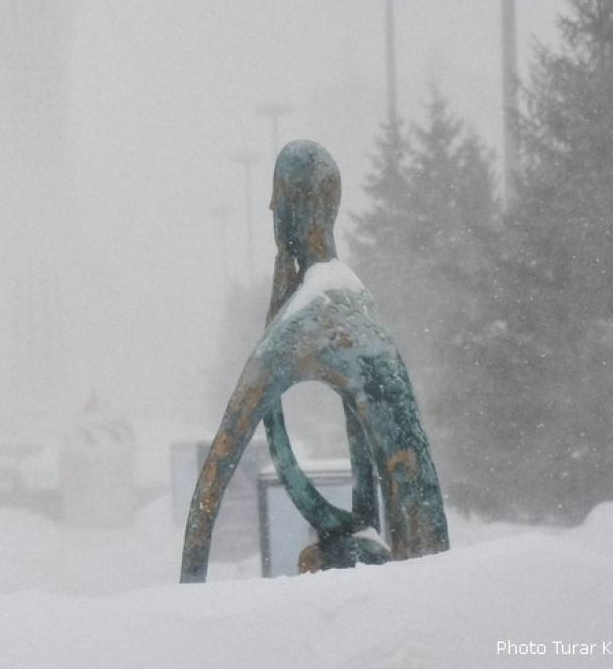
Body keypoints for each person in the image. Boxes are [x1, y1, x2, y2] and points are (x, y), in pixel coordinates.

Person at [180, 140, 448, 582]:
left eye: (277, 199)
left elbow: (210, 490)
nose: (270, 209)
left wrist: (187, 595)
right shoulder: (360, 308)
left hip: (414, 580)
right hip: (427, 574)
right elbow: (377, 489)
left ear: (291, 207)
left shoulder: (307, 324)